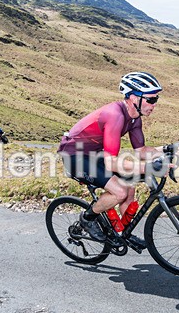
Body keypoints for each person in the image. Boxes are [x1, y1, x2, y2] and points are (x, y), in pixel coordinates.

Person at [58, 71, 172, 242]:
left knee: (130, 186)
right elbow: (111, 163)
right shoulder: (115, 115)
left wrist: (169, 150)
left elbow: (141, 150)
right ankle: (87, 219)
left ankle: (123, 233)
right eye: (151, 99)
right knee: (120, 192)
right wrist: (148, 167)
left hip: (95, 153)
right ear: (134, 98)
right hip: (75, 155)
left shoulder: (135, 118)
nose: (154, 105)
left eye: (156, 100)